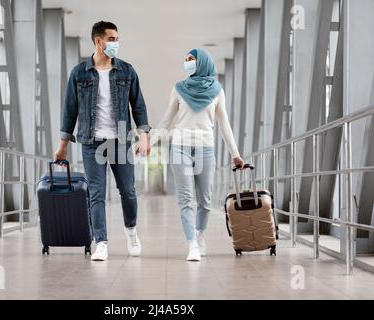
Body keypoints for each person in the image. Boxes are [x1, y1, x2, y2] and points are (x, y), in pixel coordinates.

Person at [54, 21, 151, 261]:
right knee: (95, 193)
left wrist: (145, 136)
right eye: (112, 38)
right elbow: (70, 110)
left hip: (120, 141)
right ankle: (102, 242)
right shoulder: (79, 73)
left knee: (127, 191)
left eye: (117, 38)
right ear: (98, 41)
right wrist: (63, 144)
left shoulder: (127, 71)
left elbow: (138, 106)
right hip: (91, 142)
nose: (116, 43)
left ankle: (131, 232)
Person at [150, 48, 244, 261]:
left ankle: (200, 236)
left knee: (205, 200)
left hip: (205, 148)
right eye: (186, 59)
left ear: (202, 63)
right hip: (180, 146)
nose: (187, 63)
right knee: (185, 199)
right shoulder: (179, 88)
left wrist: (235, 153)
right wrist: (150, 142)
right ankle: (192, 244)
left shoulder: (218, 91)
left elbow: (224, 124)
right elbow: (167, 120)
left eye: (191, 59)